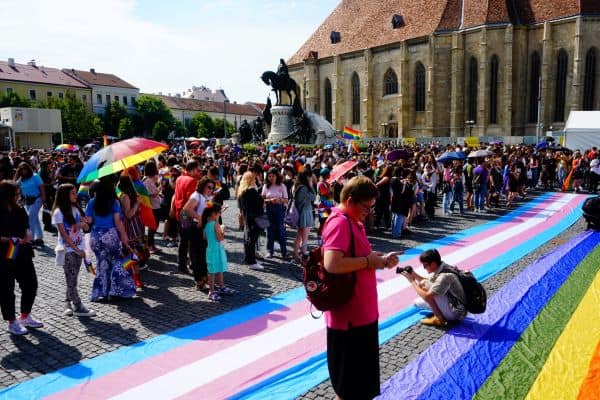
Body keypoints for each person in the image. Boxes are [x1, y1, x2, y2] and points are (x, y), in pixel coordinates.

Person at [322, 176, 401, 400]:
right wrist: (368, 262)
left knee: (357, 387)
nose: (369, 212)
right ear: (350, 200)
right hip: (350, 320)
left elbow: (357, 258)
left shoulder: (351, 220)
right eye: (366, 207)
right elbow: (332, 263)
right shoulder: (340, 222)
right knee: (349, 388)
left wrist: (380, 260)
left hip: (360, 316)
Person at [0, 180, 44, 335]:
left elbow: (26, 227)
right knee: (7, 289)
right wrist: (9, 239)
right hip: (4, 256)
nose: (19, 196)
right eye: (17, 193)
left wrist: (27, 234)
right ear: (8, 196)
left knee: (31, 284)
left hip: (22, 252)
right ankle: (12, 322)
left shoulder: (20, 210)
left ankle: (25, 316)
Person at [85, 179, 136, 302]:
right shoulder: (114, 203)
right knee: (116, 263)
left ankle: (101, 292)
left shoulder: (92, 202)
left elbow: (89, 221)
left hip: (96, 236)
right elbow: (118, 222)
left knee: (102, 264)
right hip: (110, 235)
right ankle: (115, 291)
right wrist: (124, 237)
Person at [52, 184, 96, 317]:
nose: (76, 195)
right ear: (65, 195)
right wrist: (77, 250)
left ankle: (67, 303)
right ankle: (78, 306)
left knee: (72, 278)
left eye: (75, 193)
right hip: (68, 250)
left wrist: (86, 222)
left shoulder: (76, 209)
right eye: (72, 193)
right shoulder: (58, 212)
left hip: (79, 248)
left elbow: (85, 228)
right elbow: (64, 235)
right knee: (71, 279)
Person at [399, 248, 467, 327]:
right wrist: (413, 274)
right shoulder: (443, 267)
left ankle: (439, 318)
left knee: (428, 292)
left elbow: (427, 296)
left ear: (433, 264)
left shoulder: (444, 276)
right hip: (457, 304)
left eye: (425, 265)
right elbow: (427, 281)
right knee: (416, 302)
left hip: (456, 313)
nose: (424, 267)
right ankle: (441, 312)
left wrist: (412, 282)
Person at [170, 160, 202, 274]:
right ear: (192, 170)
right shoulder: (193, 180)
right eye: (198, 170)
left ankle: (182, 264)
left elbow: (175, 194)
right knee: (190, 240)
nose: (200, 172)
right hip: (187, 214)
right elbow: (191, 200)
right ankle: (190, 264)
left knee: (183, 240)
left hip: (180, 212)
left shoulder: (179, 178)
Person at [182, 177, 214, 290]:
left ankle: (203, 277)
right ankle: (199, 280)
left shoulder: (206, 196)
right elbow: (186, 209)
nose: (210, 190)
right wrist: (200, 218)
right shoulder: (196, 195)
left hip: (204, 228)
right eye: (208, 187)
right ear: (202, 186)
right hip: (196, 228)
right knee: (196, 255)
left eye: (212, 188)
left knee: (204, 254)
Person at [117, 175, 146, 290]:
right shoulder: (125, 197)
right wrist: (137, 204)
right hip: (130, 227)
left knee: (135, 253)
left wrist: (138, 203)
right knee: (131, 253)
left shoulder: (128, 196)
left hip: (135, 227)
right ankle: (132, 278)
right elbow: (128, 215)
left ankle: (135, 278)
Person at [202, 203, 235, 301]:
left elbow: (204, 237)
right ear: (213, 213)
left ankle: (220, 286)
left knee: (214, 269)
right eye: (218, 213)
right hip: (217, 250)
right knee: (214, 270)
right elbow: (220, 238)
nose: (219, 214)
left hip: (210, 249)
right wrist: (222, 230)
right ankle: (212, 291)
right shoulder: (216, 224)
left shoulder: (206, 224)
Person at [14, 162, 46, 247]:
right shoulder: (21, 178)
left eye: (25, 169)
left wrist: (44, 200)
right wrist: (17, 174)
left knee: (30, 218)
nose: (23, 171)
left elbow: (42, 188)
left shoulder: (35, 176)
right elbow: (14, 184)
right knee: (35, 218)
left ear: (28, 169)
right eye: (21, 169)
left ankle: (30, 239)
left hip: (37, 199)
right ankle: (39, 237)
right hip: (27, 200)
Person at [238, 171, 265, 270]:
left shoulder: (242, 191)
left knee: (248, 238)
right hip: (255, 218)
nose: (255, 180)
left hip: (248, 217)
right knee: (251, 239)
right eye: (254, 179)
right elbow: (259, 203)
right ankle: (251, 261)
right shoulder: (251, 191)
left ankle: (249, 259)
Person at [262, 167, 289, 259]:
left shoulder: (282, 186)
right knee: (269, 231)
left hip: (279, 209)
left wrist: (278, 200)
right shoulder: (266, 186)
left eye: (273, 176)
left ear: (277, 176)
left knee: (280, 230)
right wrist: (269, 200)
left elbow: (286, 200)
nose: (271, 178)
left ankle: (284, 251)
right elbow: (262, 199)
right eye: (269, 176)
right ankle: (270, 251)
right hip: (268, 209)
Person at [293, 168, 316, 261]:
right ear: (307, 177)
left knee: (299, 236)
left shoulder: (297, 186)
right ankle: (303, 257)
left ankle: (296, 254)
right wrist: (311, 186)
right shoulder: (304, 188)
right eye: (310, 177)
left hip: (301, 213)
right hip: (304, 213)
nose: (311, 178)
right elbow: (314, 197)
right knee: (305, 238)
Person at [143, 161, 163, 254]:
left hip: (154, 205)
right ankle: (150, 246)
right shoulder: (148, 181)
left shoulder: (148, 180)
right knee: (153, 227)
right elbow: (153, 194)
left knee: (154, 227)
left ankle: (151, 245)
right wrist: (160, 188)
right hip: (154, 207)